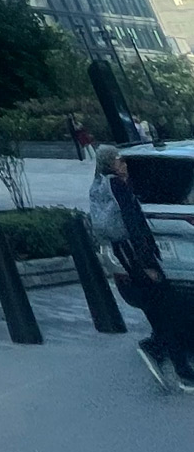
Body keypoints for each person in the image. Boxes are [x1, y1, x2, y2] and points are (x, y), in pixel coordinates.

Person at [90, 144, 194, 392]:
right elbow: (135, 228)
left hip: (126, 260)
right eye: (120, 161)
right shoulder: (120, 189)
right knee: (166, 310)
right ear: (111, 165)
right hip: (138, 259)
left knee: (162, 312)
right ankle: (175, 367)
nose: (125, 165)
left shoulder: (100, 186)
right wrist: (147, 265)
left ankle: (163, 355)